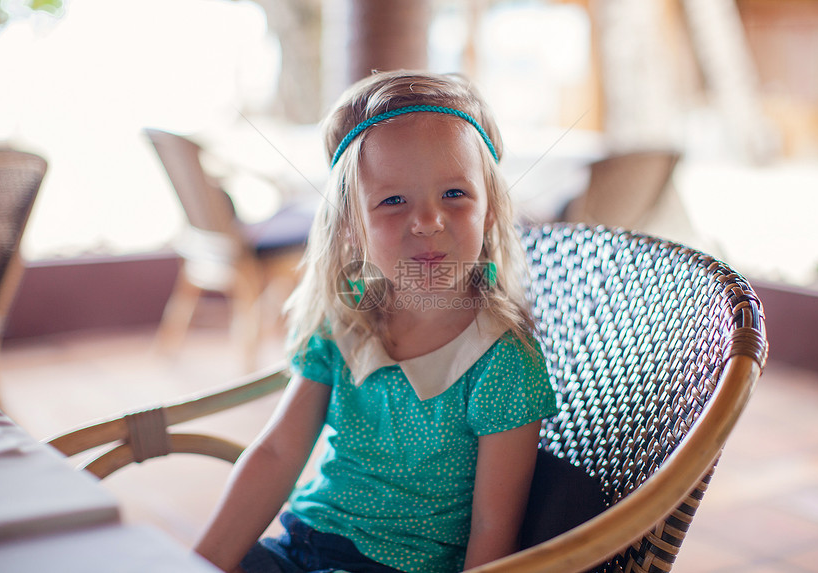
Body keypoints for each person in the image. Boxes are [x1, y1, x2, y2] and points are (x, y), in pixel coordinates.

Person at [194, 70, 557, 573]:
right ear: (350, 225)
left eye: (455, 193)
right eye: (392, 200)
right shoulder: (345, 320)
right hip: (300, 545)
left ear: (490, 210)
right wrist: (201, 562)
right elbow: (279, 452)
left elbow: (494, 530)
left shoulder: (501, 359)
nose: (428, 220)